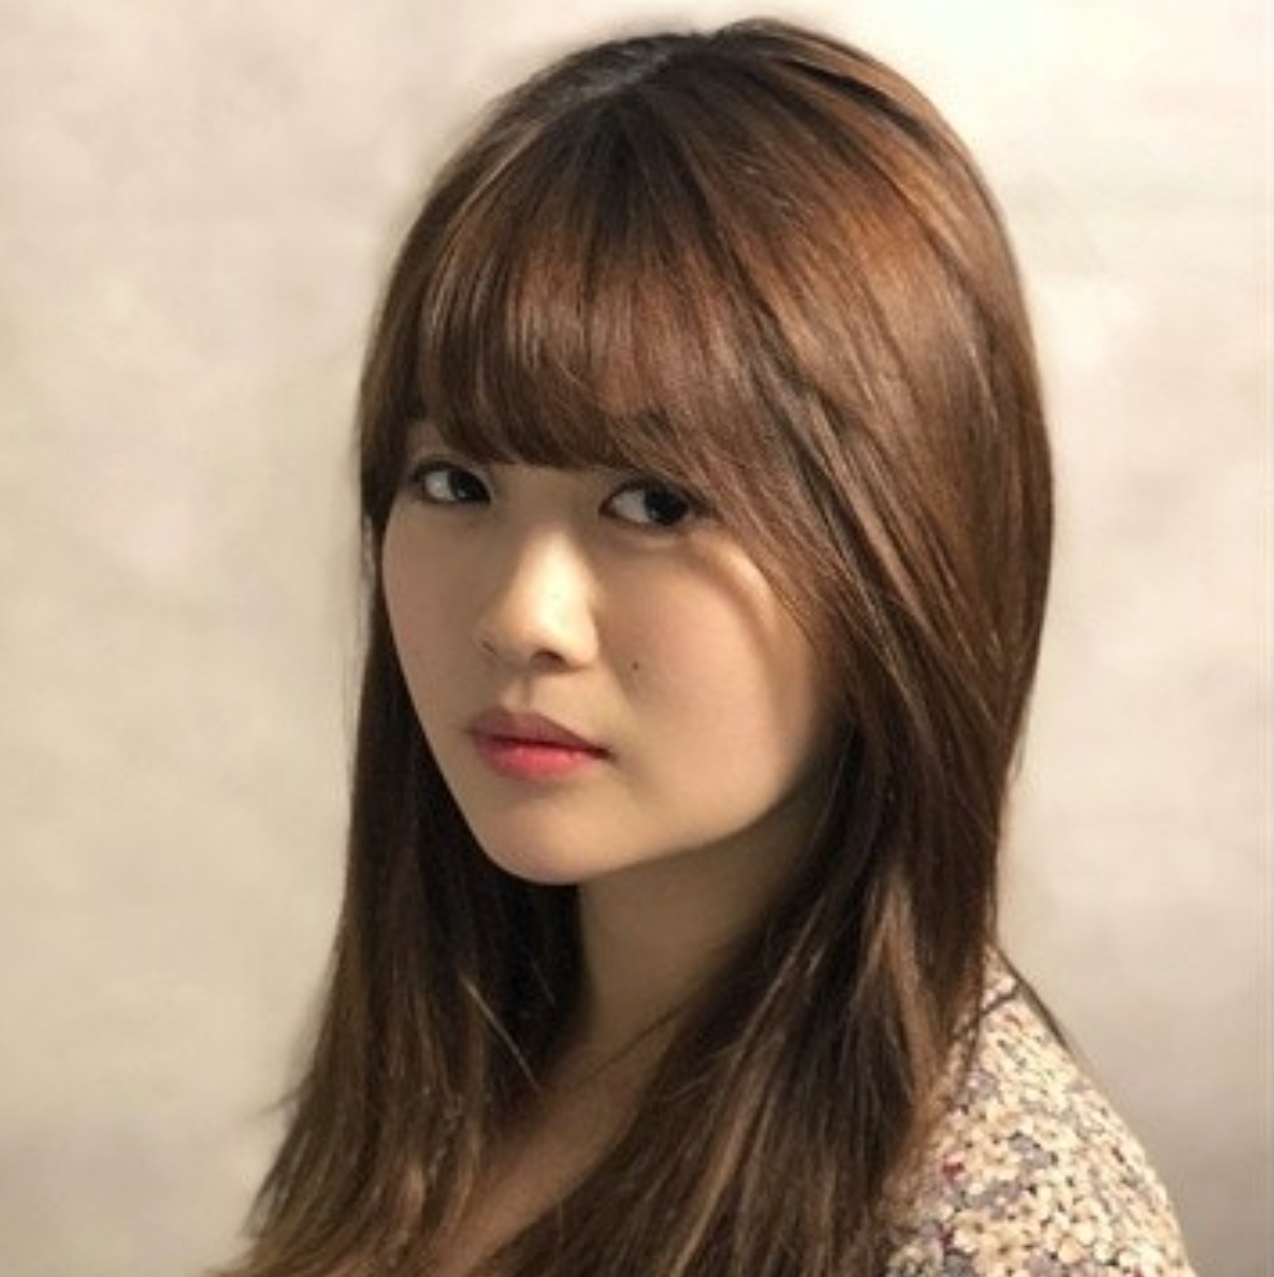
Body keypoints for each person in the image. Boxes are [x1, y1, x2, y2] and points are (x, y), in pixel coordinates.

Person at [228, 19, 1196, 1276]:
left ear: (902, 552)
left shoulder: (998, 1230)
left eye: (654, 503)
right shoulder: (458, 1056)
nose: (521, 615)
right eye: (455, 479)